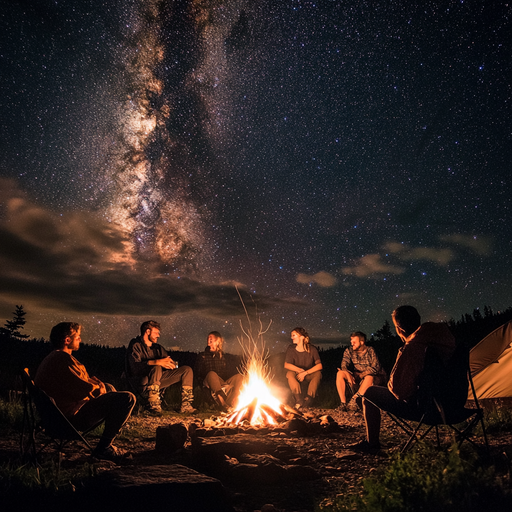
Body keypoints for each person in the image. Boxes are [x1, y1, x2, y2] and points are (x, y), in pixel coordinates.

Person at [348, 305, 456, 453]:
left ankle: (372, 443)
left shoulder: (413, 348)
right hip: (454, 404)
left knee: (369, 393)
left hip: (426, 408)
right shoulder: (447, 341)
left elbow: (399, 391)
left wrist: (401, 355)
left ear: (400, 329)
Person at [35, 322, 136, 462]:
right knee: (127, 398)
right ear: (67, 340)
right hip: (67, 421)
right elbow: (84, 391)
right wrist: (98, 387)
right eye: (78, 337)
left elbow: (77, 383)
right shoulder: (62, 359)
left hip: (56, 416)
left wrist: (99, 386)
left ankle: (107, 444)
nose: (80, 340)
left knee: (109, 388)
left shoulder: (54, 357)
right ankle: (104, 448)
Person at [126, 320, 196, 414]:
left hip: (158, 380)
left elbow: (169, 363)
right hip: (142, 381)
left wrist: (172, 364)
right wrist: (157, 362)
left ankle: (186, 406)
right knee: (157, 366)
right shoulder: (135, 345)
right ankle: (153, 404)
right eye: (156, 333)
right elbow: (134, 367)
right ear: (147, 332)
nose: (158, 335)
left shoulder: (158, 348)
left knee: (187, 370)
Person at [336, 331, 386, 411]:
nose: (352, 344)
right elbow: (344, 364)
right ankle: (343, 403)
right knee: (340, 373)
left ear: (362, 342)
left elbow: (375, 368)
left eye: (354, 342)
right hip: (358, 376)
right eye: (351, 342)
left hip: (375, 377)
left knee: (369, 377)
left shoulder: (370, 350)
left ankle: (355, 400)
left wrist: (362, 375)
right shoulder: (349, 351)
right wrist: (347, 373)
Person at [194, 331, 244, 410]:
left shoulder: (223, 356)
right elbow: (198, 373)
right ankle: (222, 403)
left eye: (211, 338)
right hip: (209, 381)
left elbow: (227, 373)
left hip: (221, 382)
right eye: (208, 338)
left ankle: (235, 400)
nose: (208, 339)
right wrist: (202, 387)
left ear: (218, 341)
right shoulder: (203, 355)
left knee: (239, 377)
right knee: (212, 374)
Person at [284, 327, 323, 409]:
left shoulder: (312, 349)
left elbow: (319, 365)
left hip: (308, 373)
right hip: (297, 374)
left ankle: (309, 399)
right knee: (289, 374)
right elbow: (286, 365)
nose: (291, 337)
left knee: (318, 374)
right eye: (291, 336)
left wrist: (305, 373)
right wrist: (299, 370)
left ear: (302, 337)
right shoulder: (291, 349)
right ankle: (299, 400)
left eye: (294, 335)